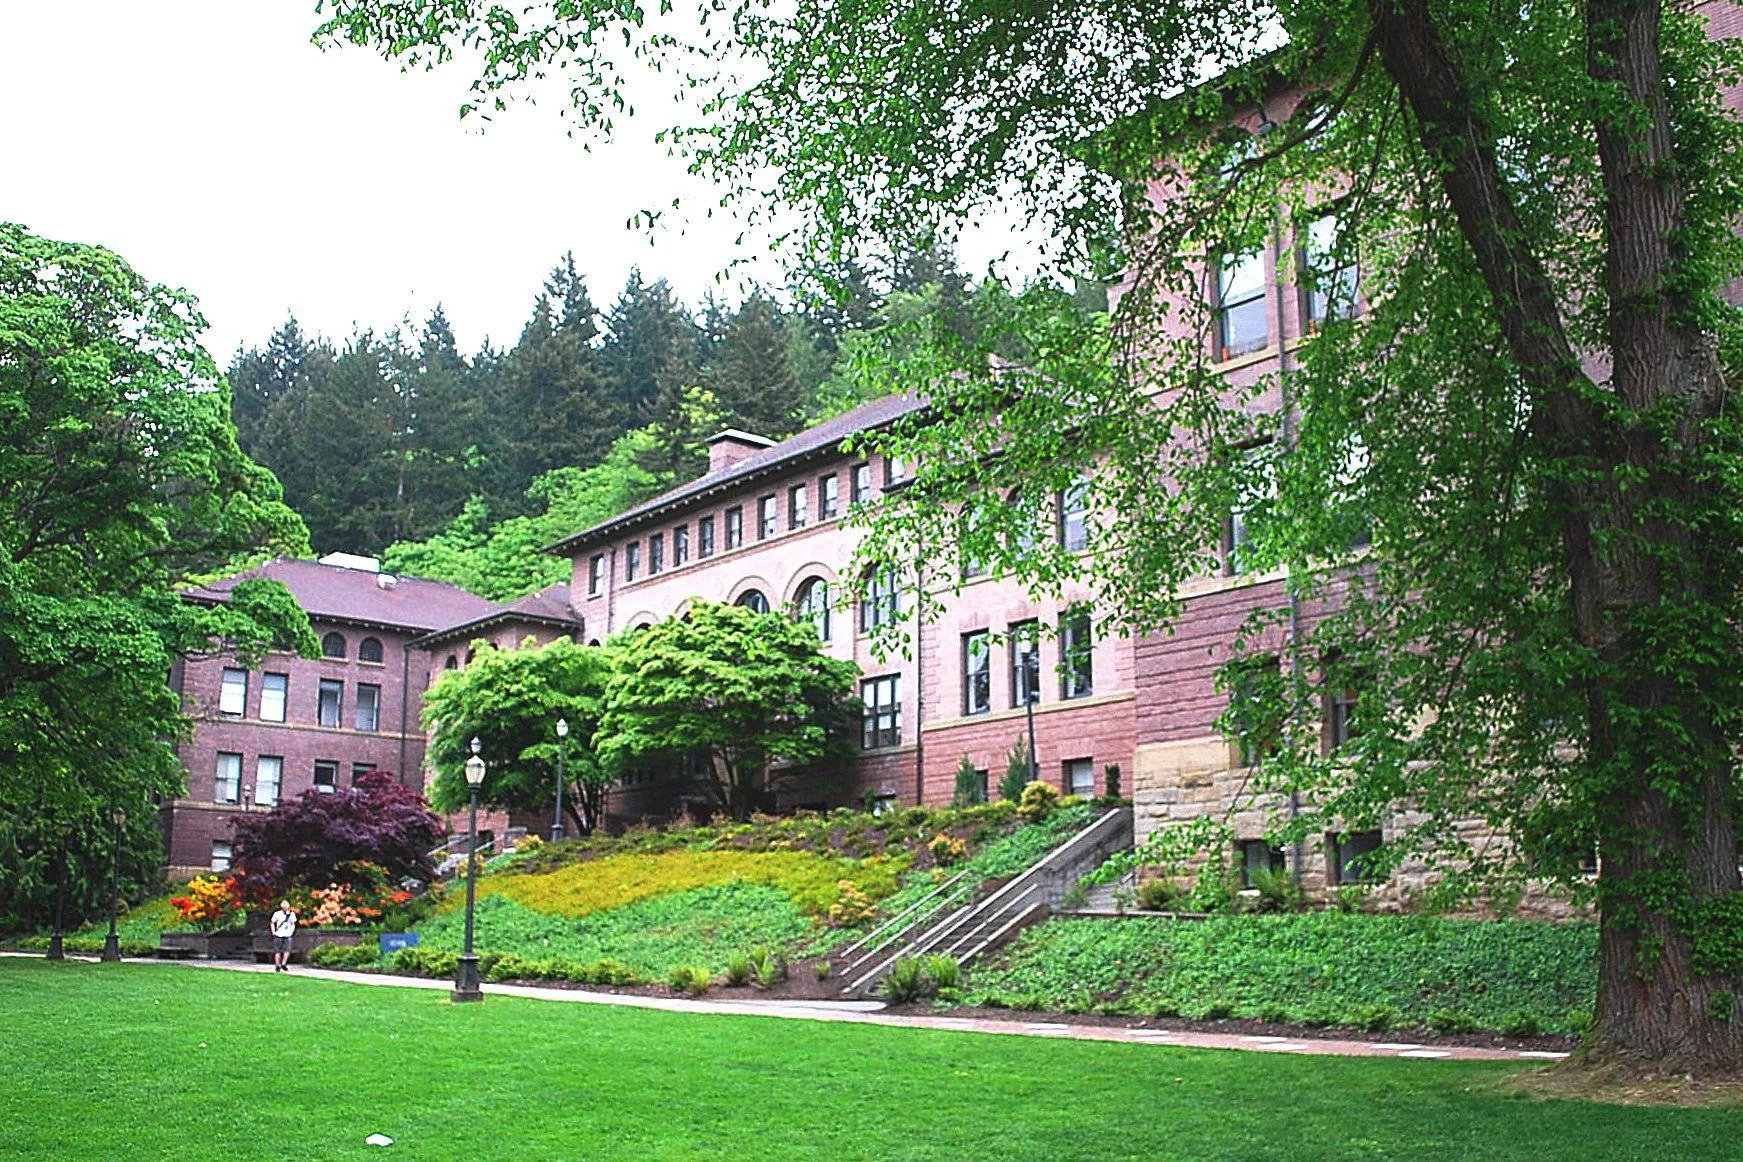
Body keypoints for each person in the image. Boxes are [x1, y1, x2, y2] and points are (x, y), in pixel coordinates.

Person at [269, 899, 298, 972]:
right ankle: (277, 965)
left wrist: (291, 931)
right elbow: (272, 922)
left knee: (287, 950)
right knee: (277, 951)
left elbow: (293, 924)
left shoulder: (292, 914)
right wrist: (273, 932)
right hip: (279, 934)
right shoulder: (277, 914)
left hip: (287, 934)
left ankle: (283, 963)